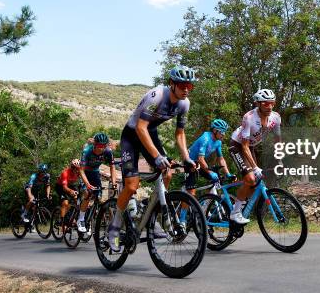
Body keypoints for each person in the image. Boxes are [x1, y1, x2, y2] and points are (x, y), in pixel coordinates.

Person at [107, 65, 197, 251]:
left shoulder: (184, 103)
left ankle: (152, 210)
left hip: (151, 133)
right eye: (182, 85)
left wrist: (186, 158)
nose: (186, 89)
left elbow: (179, 134)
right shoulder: (157, 95)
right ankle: (114, 227)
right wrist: (156, 156)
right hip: (132, 135)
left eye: (190, 85)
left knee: (167, 173)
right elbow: (140, 127)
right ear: (172, 84)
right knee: (132, 185)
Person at [228, 89, 282, 224]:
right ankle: (235, 212)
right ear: (258, 103)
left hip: (250, 147)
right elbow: (244, 146)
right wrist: (255, 167)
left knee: (256, 182)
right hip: (237, 145)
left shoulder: (276, 118)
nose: (269, 106)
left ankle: (243, 206)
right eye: (265, 103)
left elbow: (278, 140)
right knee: (251, 178)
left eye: (272, 103)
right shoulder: (249, 117)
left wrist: (279, 159)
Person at [183, 118, 235, 197]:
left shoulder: (218, 142)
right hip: (190, 162)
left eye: (225, 132)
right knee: (191, 193)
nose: (224, 134)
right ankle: (184, 208)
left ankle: (206, 202)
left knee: (216, 179)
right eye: (222, 132)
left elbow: (221, 159)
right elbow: (201, 159)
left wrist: (228, 174)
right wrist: (210, 172)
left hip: (199, 163)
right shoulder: (205, 138)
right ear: (215, 131)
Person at [77, 132, 116, 232]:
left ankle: (89, 219)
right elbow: (81, 170)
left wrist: (114, 182)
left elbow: (112, 167)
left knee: (98, 197)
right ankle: (81, 219)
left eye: (103, 146)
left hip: (95, 172)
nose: (101, 148)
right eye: (99, 145)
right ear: (94, 144)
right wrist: (87, 185)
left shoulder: (108, 151)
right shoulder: (87, 151)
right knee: (87, 193)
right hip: (85, 172)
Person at [55, 159, 87, 233]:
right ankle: (62, 224)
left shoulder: (79, 172)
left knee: (78, 202)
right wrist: (71, 191)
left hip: (71, 185)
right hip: (61, 186)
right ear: (71, 167)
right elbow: (65, 188)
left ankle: (73, 217)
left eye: (77, 168)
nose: (76, 170)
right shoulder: (65, 173)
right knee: (65, 203)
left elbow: (84, 182)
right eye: (74, 168)